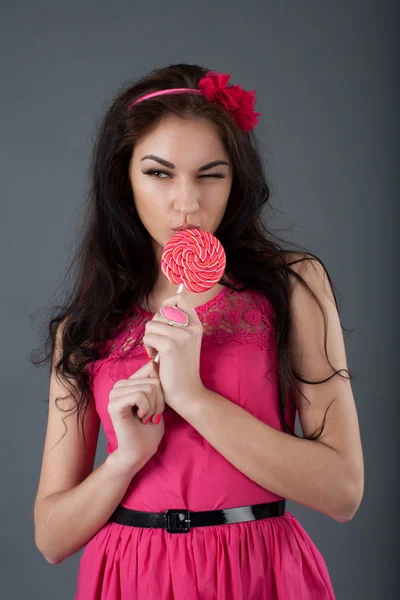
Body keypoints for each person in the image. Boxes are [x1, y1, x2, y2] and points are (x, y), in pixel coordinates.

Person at [33, 63, 364, 599]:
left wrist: (193, 397)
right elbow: (51, 538)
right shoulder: (88, 323)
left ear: (237, 180)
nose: (186, 202)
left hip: (259, 570)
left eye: (210, 174)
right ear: (123, 178)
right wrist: (125, 461)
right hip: (129, 575)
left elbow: (343, 492)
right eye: (159, 173)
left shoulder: (293, 285)